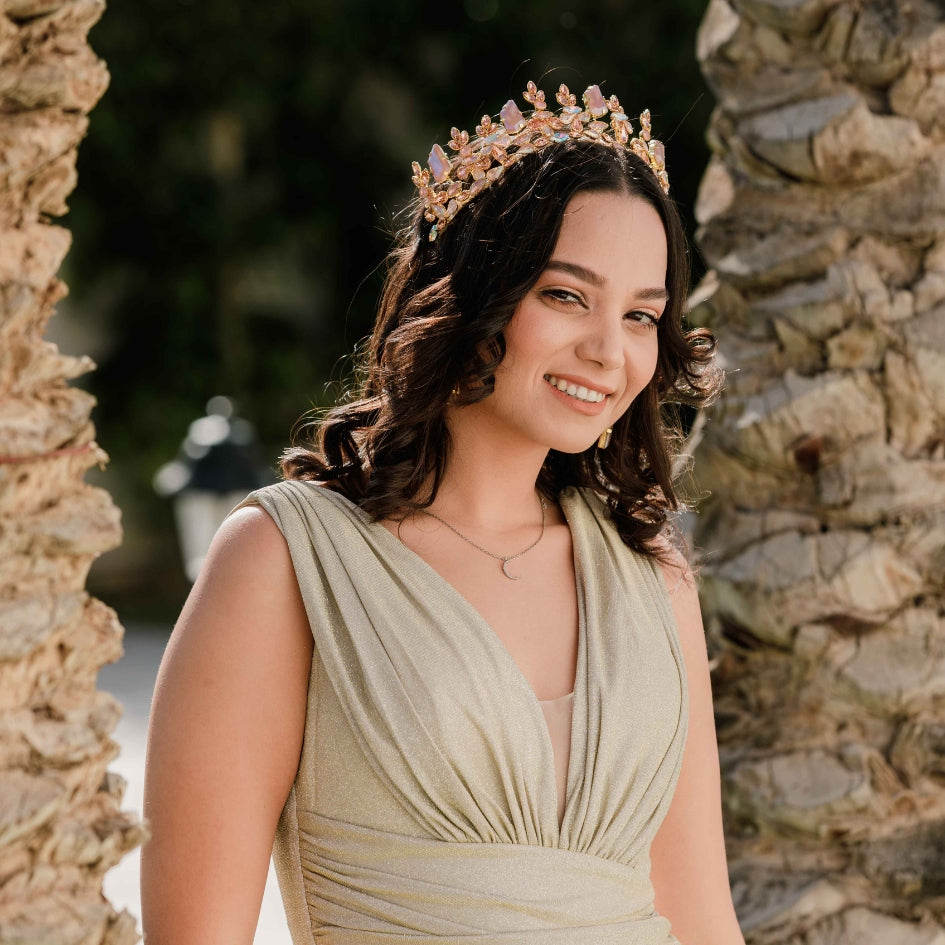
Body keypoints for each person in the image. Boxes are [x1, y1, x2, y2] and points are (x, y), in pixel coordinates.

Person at [141, 80, 746, 945]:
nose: (609, 351)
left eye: (642, 315)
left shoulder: (651, 578)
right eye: (565, 295)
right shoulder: (285, 560)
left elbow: (704, 921)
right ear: (474, 291)